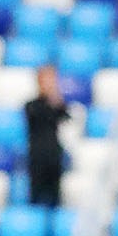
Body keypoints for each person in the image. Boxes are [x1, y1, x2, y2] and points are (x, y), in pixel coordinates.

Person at [24, 65, 73, 211]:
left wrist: (56, 99)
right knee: (36, 196)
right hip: (37, 156)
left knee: (55, 197)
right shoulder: (31, 106)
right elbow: (39, 117)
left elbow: (66, 116)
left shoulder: (57, 105)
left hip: (54, 156)